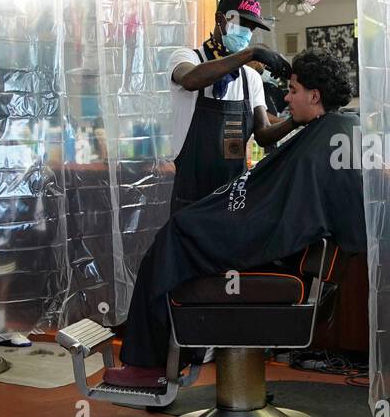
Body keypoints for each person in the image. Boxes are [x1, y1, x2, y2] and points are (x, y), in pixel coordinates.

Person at [105, 50, 366, 387]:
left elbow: (286, 213)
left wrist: (216, 220)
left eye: (293, 90)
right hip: (256, 228)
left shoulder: (326, 137)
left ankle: (148, 365)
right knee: (177, 236)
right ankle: (165, 359)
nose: (286, 97)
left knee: (173, 238)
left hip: (260, 237)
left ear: (314, 96)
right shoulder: (335, 130)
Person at [166, 0, 293, 213]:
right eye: (243, 24)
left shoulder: (249, 78)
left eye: (252, 28)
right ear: (220, 19)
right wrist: (251, 54)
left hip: (234, 193)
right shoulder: (187, 58)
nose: (247, 32)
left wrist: (296, 121)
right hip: (192, 195)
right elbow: (191, 79)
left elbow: (263, 135)